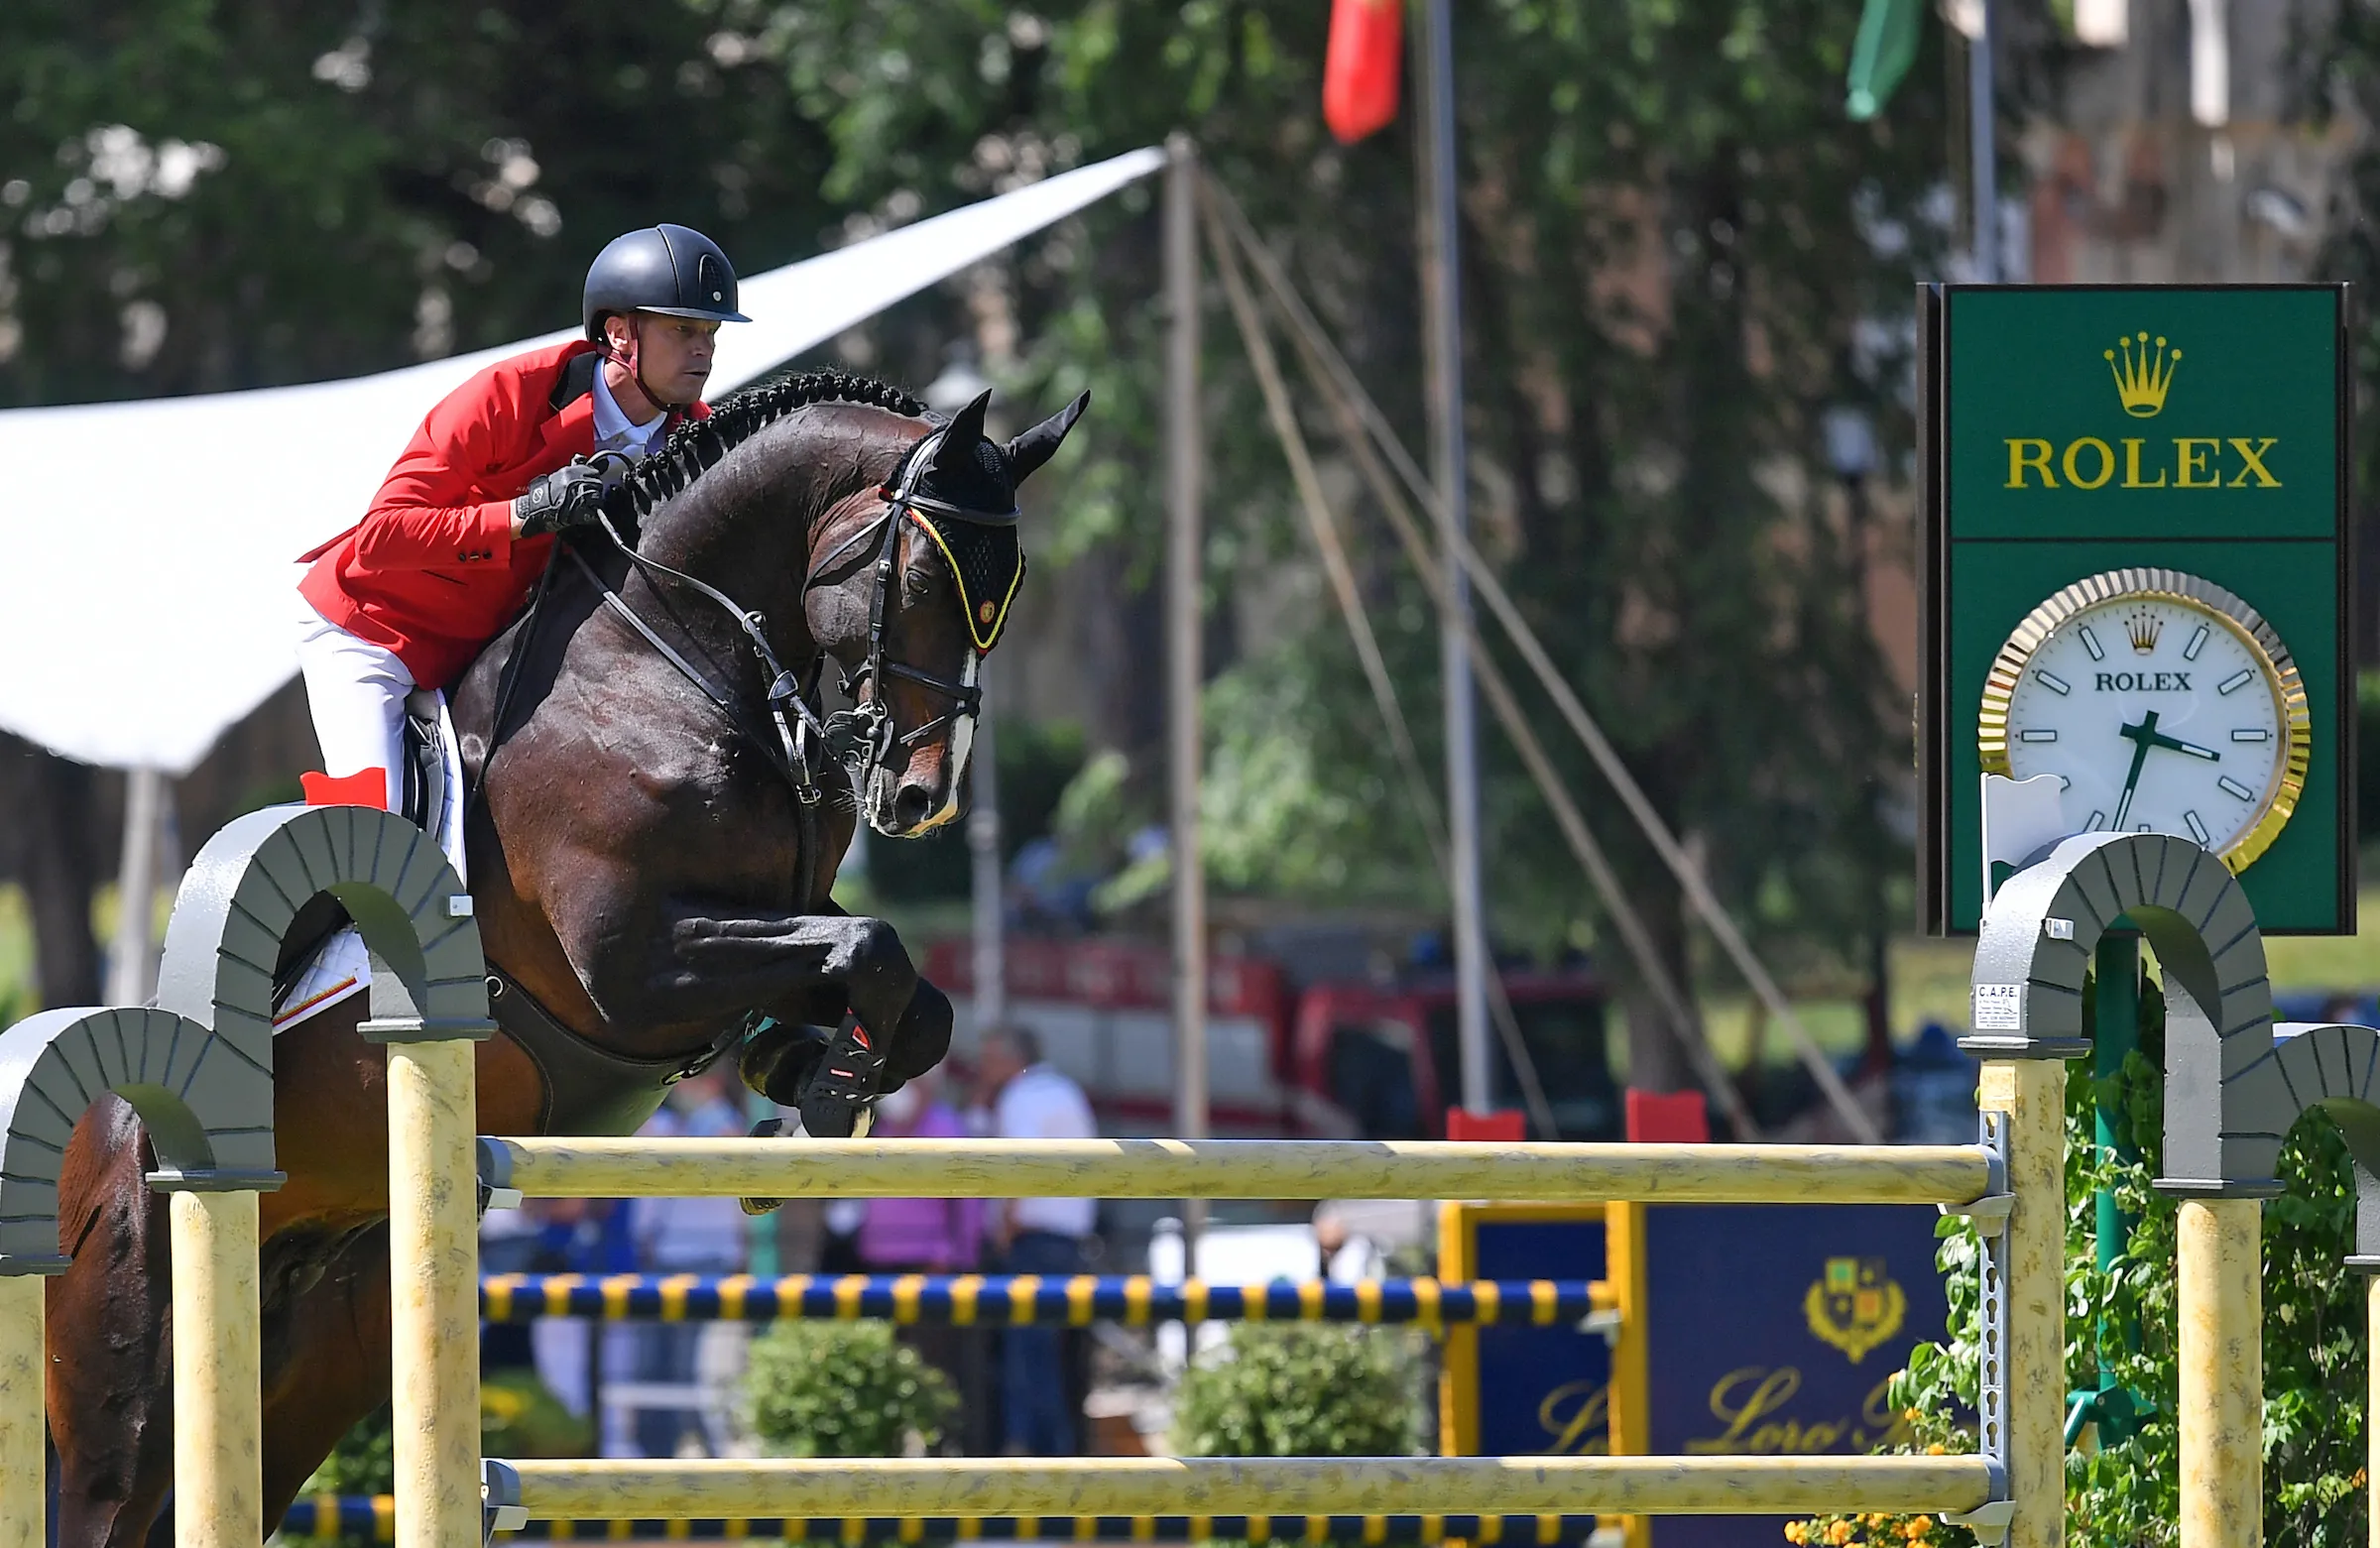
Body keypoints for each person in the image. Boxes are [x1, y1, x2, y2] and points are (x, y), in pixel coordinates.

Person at [292, 224, 748, 815]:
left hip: (492, 650)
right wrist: (520, 515)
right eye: (682, 329)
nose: (703, 350)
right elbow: (381, 537)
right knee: (377, 833)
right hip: (375, 629)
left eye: (710, 332)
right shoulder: (510, 395)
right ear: (619, 333)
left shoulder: (694, 439)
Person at [975, 1024, 1097, 1456]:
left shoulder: (1022, 1097)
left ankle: (1034, 1470)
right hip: (1067, 1242)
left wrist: (1003, 1231)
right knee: (1057, 1362)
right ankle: (1062, 1464)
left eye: (990, 1058)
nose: (984, 1069)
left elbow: (1018, 1168)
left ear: (1012, 1058)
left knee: (1028, 1364)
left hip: (1031, 1243)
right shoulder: (1065, 1091)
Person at [855, 1073, 993, 1452]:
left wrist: (957, 1257)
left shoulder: (945, 1127)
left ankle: (944, 1443)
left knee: (936, 1365)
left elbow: (967, 1201)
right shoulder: (882, 1129)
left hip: (932, 1266)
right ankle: (891, 1443)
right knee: (888, 1360)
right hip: (882, 1264)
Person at [628, 1067, 751, 1458]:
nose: (678, 1088)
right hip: (674, 1256)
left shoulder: (723, 1128)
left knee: (684, 1364)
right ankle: (669, 1446)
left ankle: (693, 1447)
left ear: (711, 1084)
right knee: (662, 1361)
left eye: (687, 1081)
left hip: (697, 1258)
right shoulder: (685, 1125)